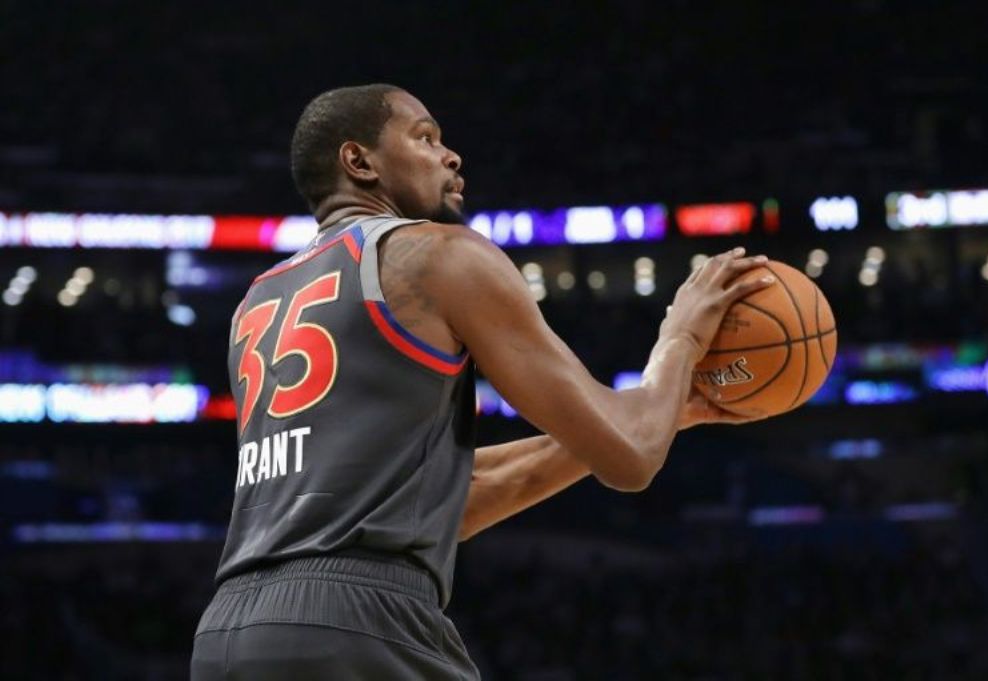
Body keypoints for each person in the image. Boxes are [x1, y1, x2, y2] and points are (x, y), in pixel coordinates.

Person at [190, 83, 774, 680]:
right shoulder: (438, 256)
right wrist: (680, 340)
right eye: (424, 137)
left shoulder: (257, 302)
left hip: (229, 631)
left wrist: (660, 410)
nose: (451, 155)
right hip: (363, 625)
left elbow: (440, 505)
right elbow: (631, 456)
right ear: (359, 162)